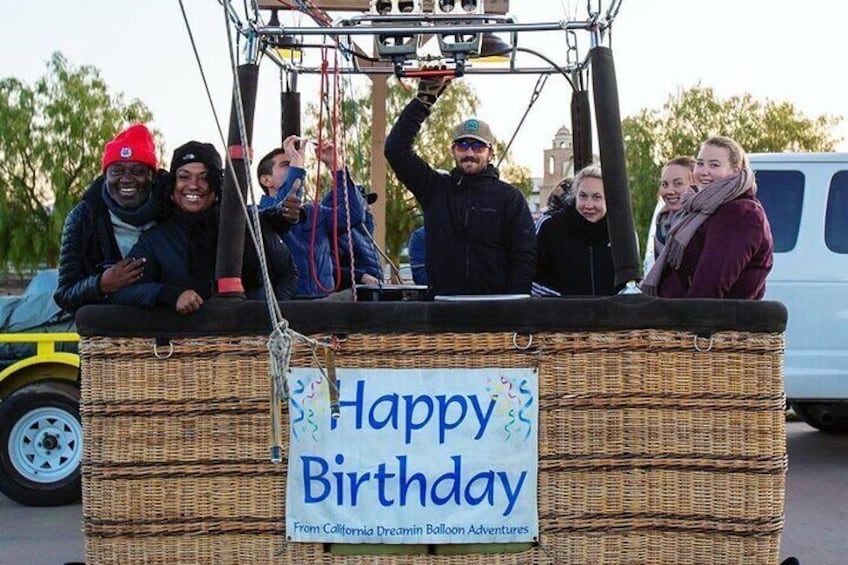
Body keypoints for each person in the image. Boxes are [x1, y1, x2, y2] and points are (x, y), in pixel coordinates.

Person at [384, 74, 536, 296]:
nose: (470, 152)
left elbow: (524, 256)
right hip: (443, 308)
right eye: (463, 145)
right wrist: (423, 102)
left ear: (490, 153)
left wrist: (513, 306)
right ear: (453, 151)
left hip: (496, 310)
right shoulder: (434, 189)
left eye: (477, 146)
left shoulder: (510, 198)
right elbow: (395, 150)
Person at [110, 141, 297, 313]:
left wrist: (268, 315)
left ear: (217, 187)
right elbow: (123, 291)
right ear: (172, 187)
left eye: (204, 178)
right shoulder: (156, 239)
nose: (194, 185)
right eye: (184, 177)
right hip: (187, 344)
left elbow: (287, 272)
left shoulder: (245, 224)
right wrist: (170, 295)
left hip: (248, 342)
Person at [54, 123, 170, 313]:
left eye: (137, 171)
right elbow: (65, 295)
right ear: (105, 176)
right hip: (106, 335)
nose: (126, 179)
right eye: (117, 171)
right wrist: (101, 284)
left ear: (152, 176)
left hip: (166, 329)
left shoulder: (171, 211)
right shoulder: (82, 218)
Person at [641, 136, 774, 299]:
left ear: (736, 170)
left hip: (708, 320)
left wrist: (688, 321)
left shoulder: (739, 214)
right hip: (680, 314)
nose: (704, 171)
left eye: (714, 165)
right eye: (700, 163)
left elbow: (709, 287)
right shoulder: (705, 208)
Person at [257, 136, 365, 298]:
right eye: (287, 165)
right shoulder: (259, 215)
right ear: (266, 180)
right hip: (286, 305)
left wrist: (336, 166)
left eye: (296, 164)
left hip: (323, 302)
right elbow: (284, 210)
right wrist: (297, 163)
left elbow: (354, 215)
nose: (295, 166)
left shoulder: (315, 212)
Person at [533, 165, 616, 296]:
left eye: (596, 197)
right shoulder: (551, 228)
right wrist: (565, 305)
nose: (589, 205)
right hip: (561, 314)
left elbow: (630, 283)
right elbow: (531, 279)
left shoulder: (620, 234)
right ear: (575, 196)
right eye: (583, 196)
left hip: (609, 315)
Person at [322, 186, 382, 288]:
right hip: (352, 294)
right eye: (362, 202)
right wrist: (361, 277)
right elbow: (327, 269)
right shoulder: (337, 233)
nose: (368, 207)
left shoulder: (364, 235)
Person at [653, 156, 696, 260]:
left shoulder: (702, 221)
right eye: (665, 184)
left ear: (694, 185)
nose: (669, 191)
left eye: (678, 184)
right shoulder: (662, 222)